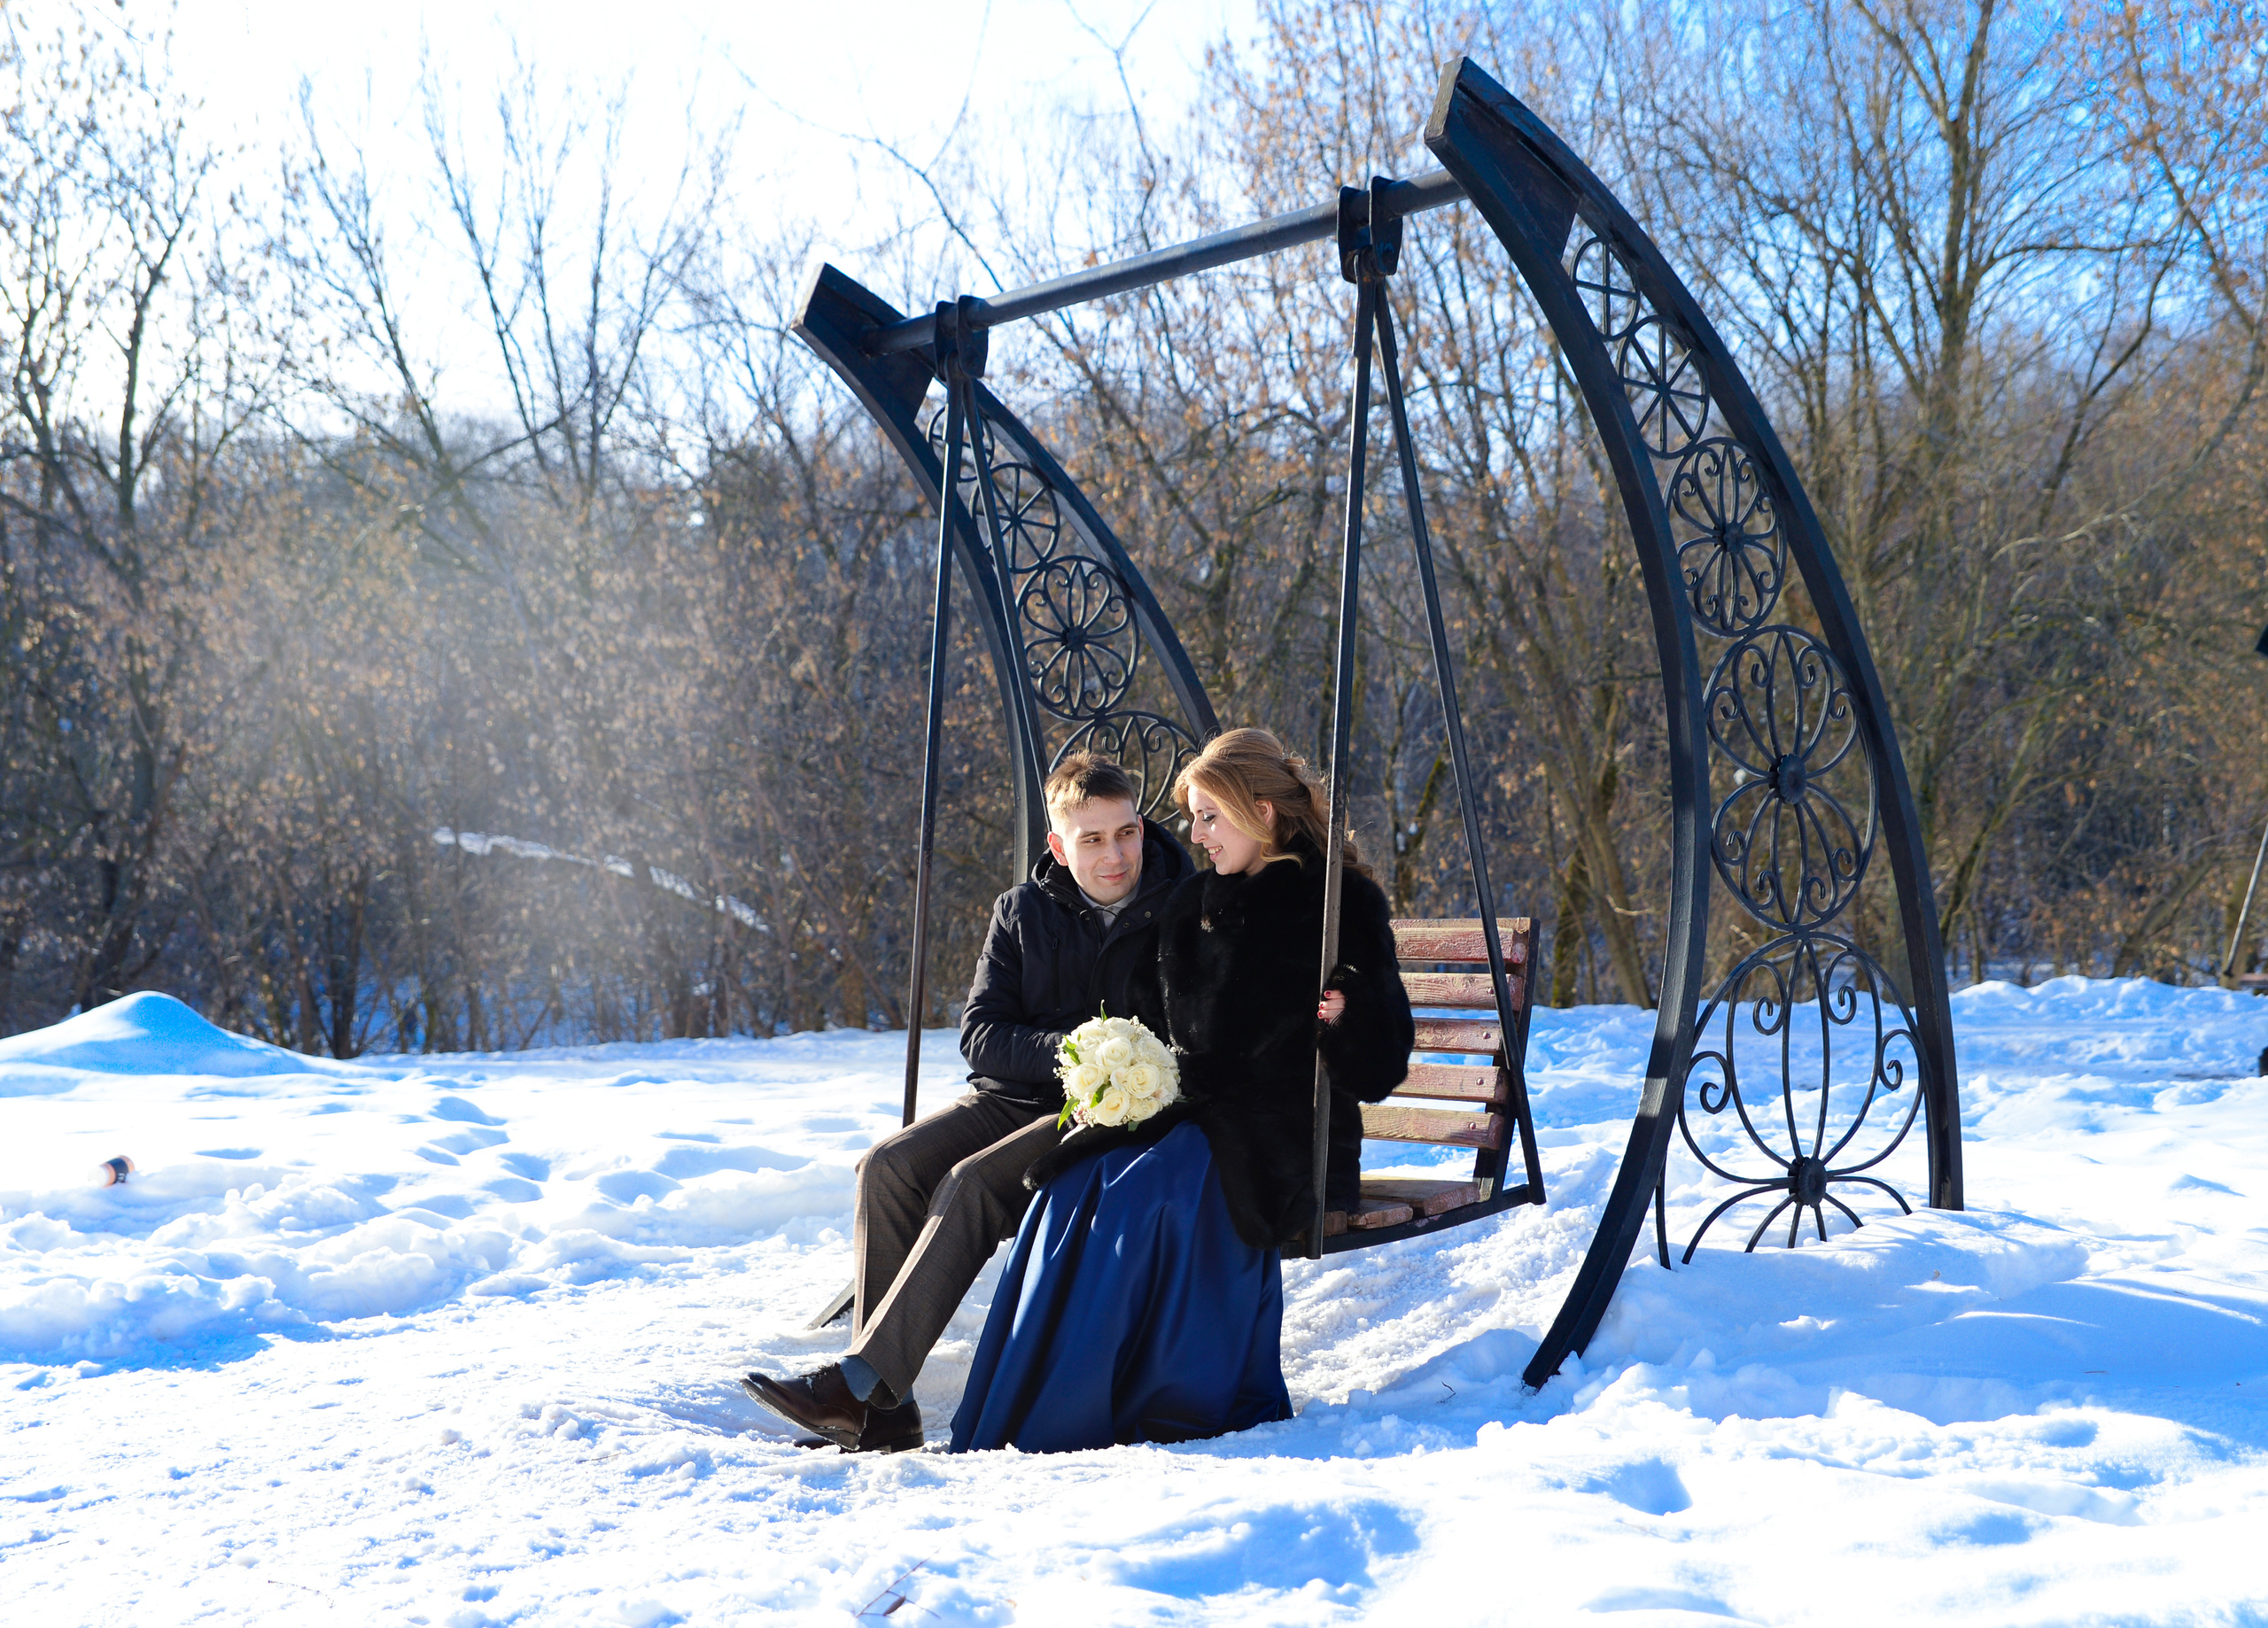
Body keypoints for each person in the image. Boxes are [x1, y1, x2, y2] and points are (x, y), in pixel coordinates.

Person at [948, 727, 1415, 1454]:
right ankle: (1037, 1403)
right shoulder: (1194, 901)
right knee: (1072, 1186)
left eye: (1207, 816)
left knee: (1144, 1195)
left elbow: (1381, 1066)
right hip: (1194, 1114)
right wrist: (1118, 1064)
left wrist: (1349, 1016)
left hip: (1282, 1133)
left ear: (1260, 811)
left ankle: (1129, 1403)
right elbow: (1150, 1021)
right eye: (1193, 818)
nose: (1193, 836)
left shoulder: (1338, 903)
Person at [741, 755, 1192, 1452]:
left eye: (1126, 832)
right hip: (1012, 1097)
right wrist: (1073, 1049)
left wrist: (1113, 1069)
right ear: (1058, 846)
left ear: (1141, 825)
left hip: (1107, 1116)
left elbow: (1191, 1033)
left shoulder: (1183, 908)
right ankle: (888, 1408)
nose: (1116, 853)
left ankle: (858, 1388)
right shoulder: (1020, 912)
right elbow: (981, 1035)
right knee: (885, 1167)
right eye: (1092, 839)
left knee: (972, 1182)